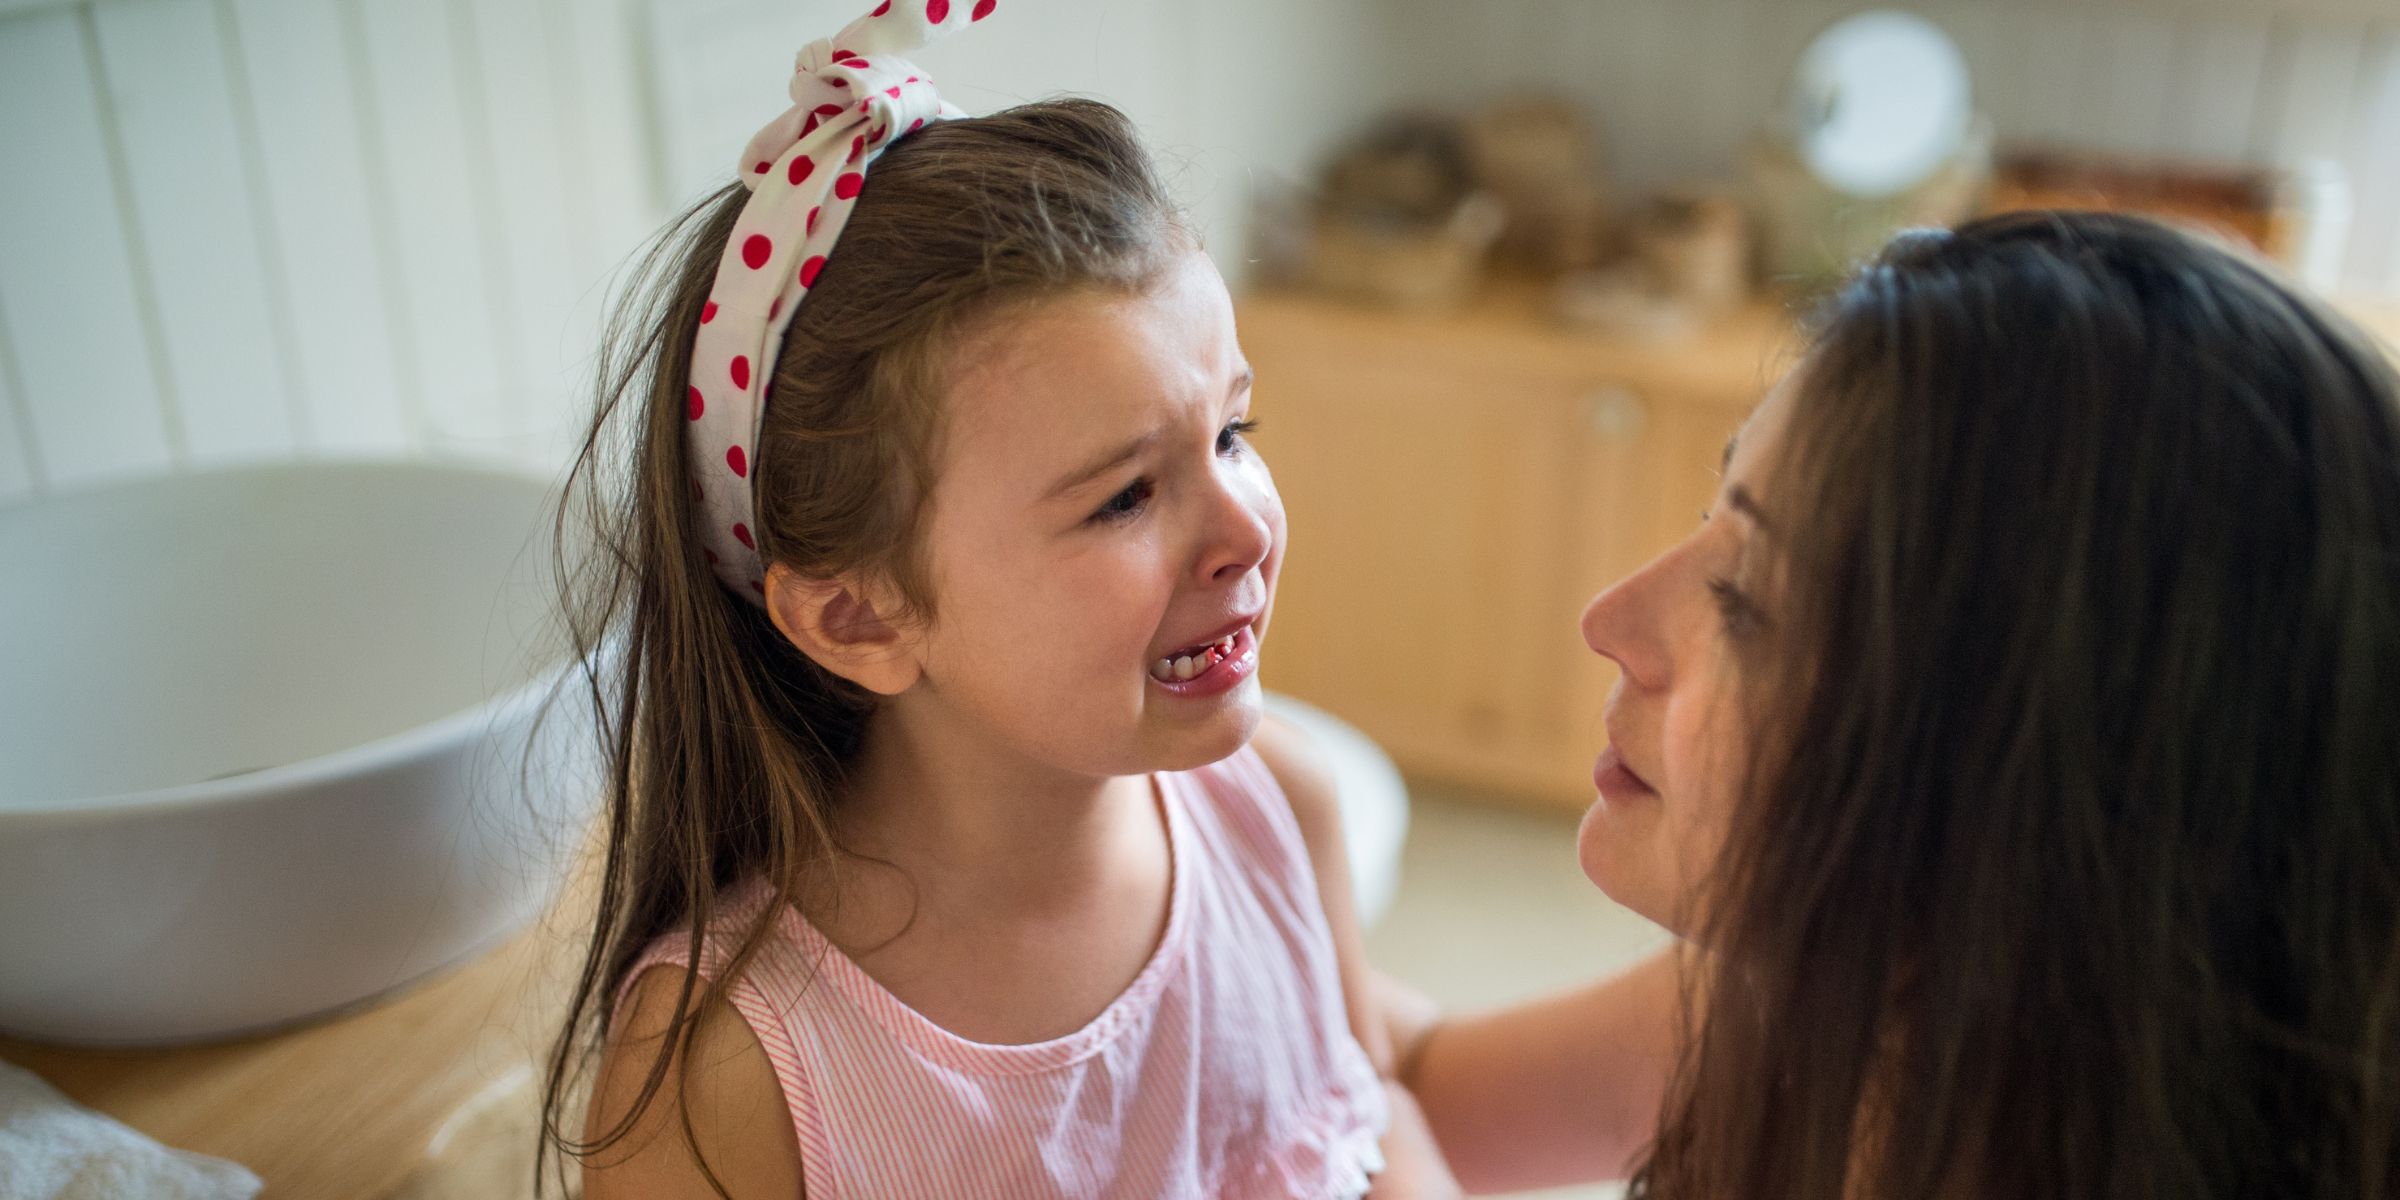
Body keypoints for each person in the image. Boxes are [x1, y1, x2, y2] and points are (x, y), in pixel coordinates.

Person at [536, 4, 1438, 1195]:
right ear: (860, 617)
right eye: (1124, 498)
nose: (1242, 528)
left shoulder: (1281, 805)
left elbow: (1369, 1129)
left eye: (1232, 432)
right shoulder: (734, 1079)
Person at [1396, 211, 2400, 1199]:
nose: (1611, 621)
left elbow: (1383, 1133)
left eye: (1746, 601)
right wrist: (1276, 827)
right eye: (1713, 514)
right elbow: (1419, 1090)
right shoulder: (1837, 992)